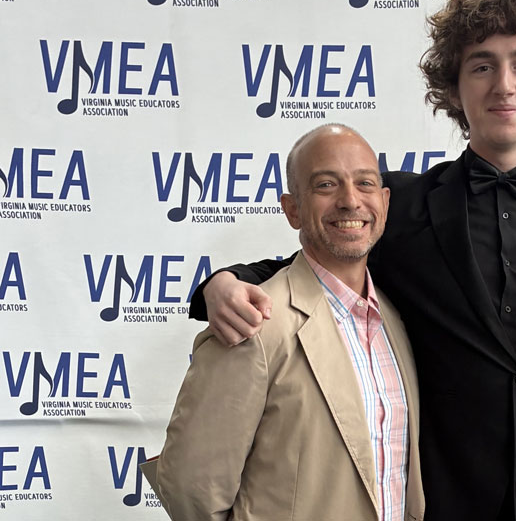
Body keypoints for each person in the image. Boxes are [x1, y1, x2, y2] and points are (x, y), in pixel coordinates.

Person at [189, 0, 516, 521]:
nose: (503, 84)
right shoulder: (399, 203)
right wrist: (221, 283)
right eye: (482, 66)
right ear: (453, 88)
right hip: (447, 503)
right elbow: (305, 267)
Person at [155, 125, 425, 521]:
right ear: (292, 208)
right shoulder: (252, 324)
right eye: (326, 185)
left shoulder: (397, 320)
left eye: (365, 183)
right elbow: (191, 490)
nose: (350, 201)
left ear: (384, 202)